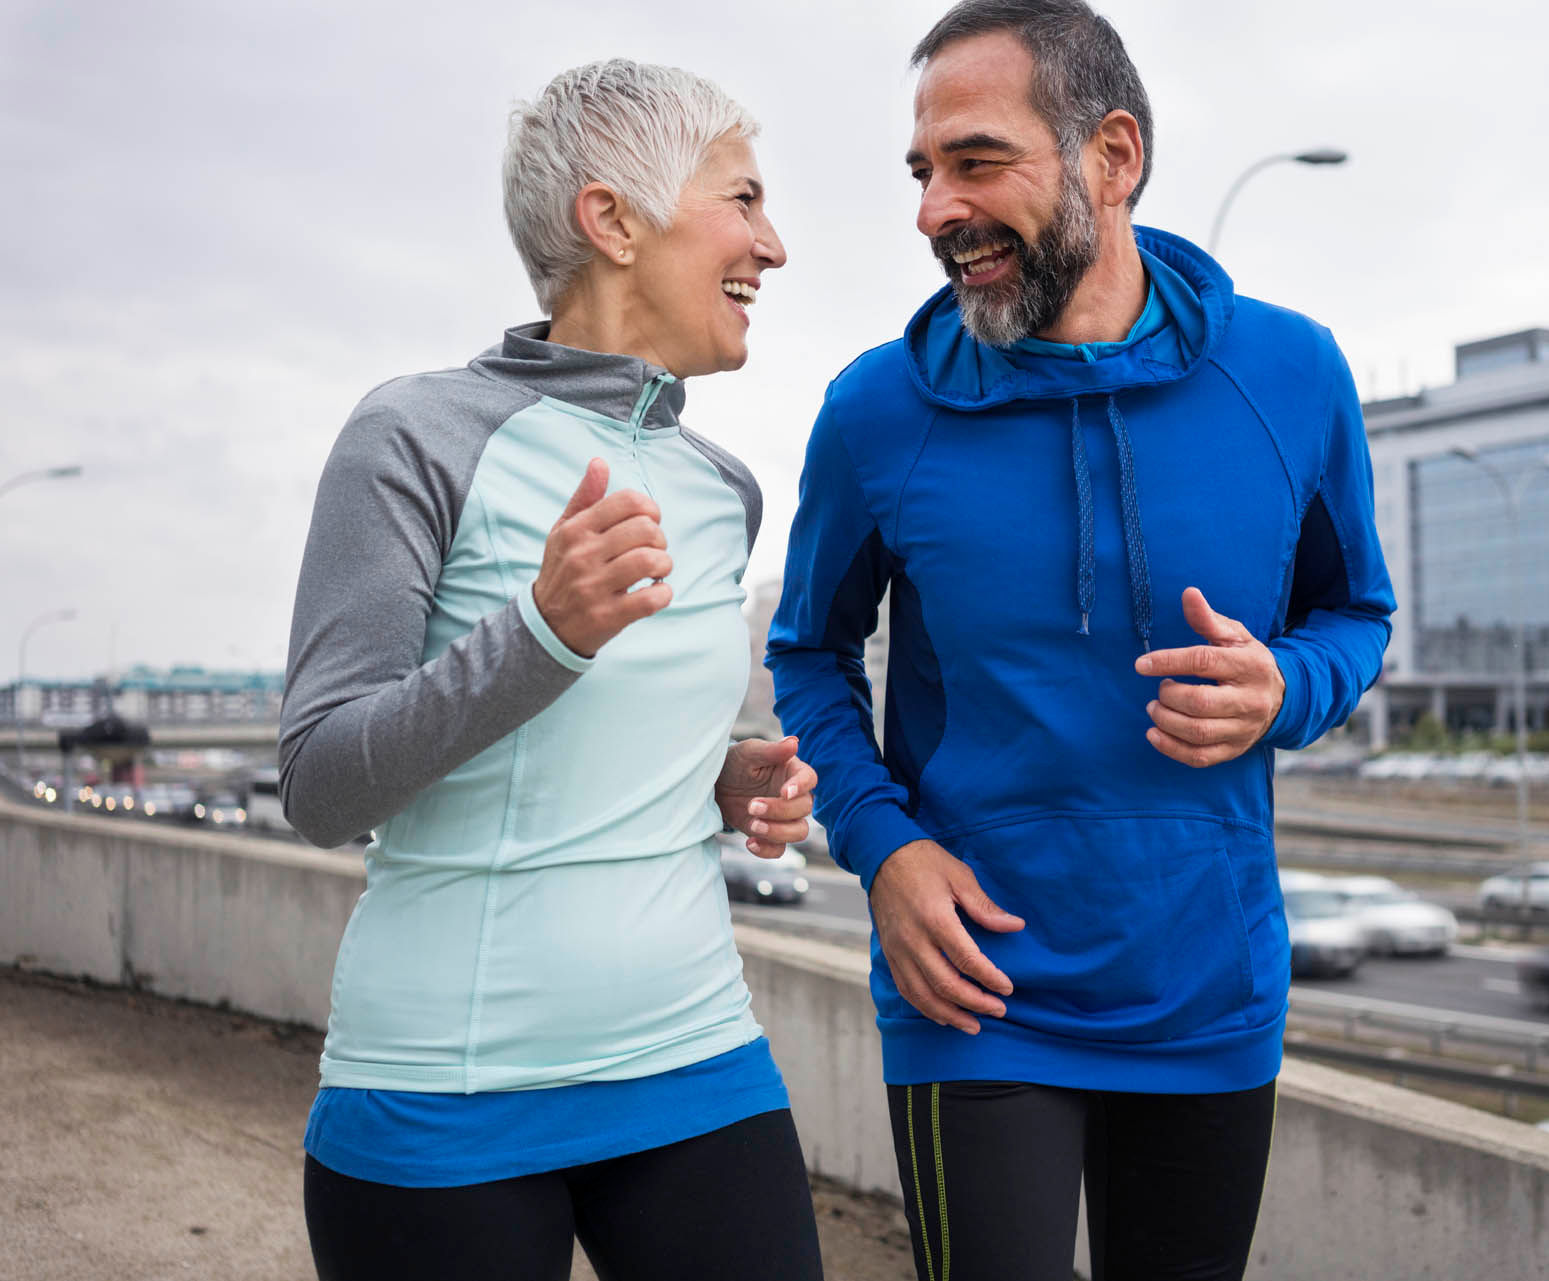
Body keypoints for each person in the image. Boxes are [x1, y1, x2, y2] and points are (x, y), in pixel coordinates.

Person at [766, 2, 1396, 1277]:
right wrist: (883, 850)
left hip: (1207, 990)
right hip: (975, 993)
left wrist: (1284, 686)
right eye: (923, 172)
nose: (935, 209)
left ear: (1114, 157)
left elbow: (1357, 619)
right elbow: (806, 659)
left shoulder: (1292, 376)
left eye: (977, 163)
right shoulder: (876, 412)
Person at [280, 60, 823, 1281]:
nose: (772, 244)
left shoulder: (723, 489)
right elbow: (319, 785)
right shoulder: (413, 437)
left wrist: (722, 776)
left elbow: (597, 751)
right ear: (612, 220)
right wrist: (543, 634)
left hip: (696, 1066)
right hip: (444, 1098)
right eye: (741, 199)